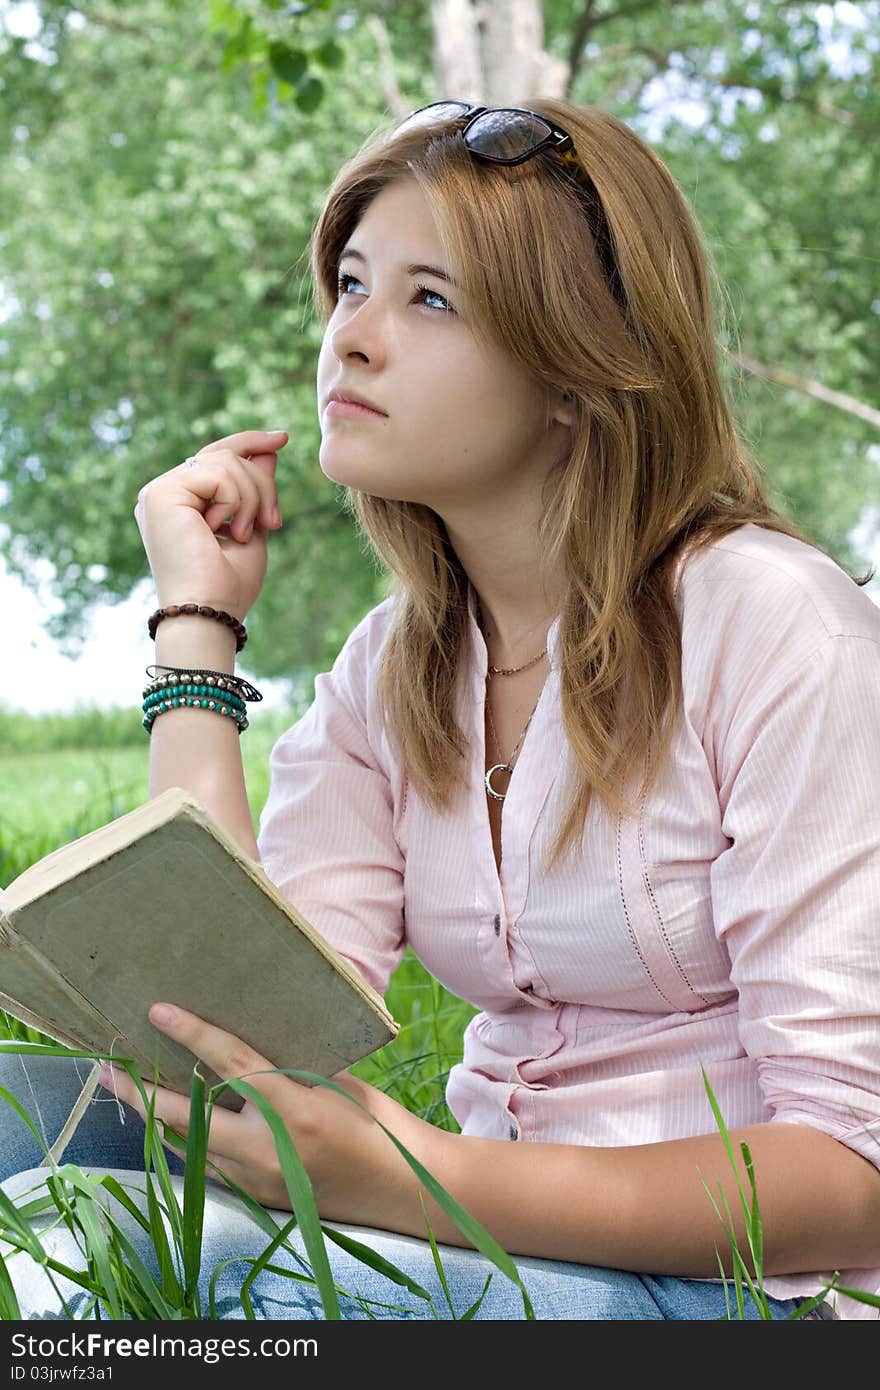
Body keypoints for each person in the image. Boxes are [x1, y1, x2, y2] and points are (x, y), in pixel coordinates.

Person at [1, 98, 878, 1322]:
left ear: (575, 369)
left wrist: (425, 1178)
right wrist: (195, 625)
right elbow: (236, 1026)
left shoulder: (776, 624)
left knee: (173, 1266)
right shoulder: (392, 670)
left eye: (429, 299)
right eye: (351, 284)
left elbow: (851, 1178)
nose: (350, 339)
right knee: (17, 1124)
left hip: (745, 1293)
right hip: (474, 1244)